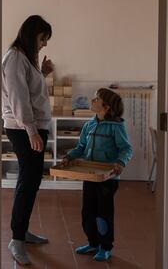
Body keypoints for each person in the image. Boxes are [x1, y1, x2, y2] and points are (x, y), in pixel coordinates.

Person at [2, 15, 54, 265]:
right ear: (31, 34)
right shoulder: (14, 58)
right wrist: (32, 131)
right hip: (23, 129)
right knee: (28, 182)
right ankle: (17, 239)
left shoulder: (25, 58)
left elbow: (30, 91)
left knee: (30, 182)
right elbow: (18, 99)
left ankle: (22, 232)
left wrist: (41, 72)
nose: (44, 44)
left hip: (31, 128)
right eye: (42, 38)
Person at [60, 88, 133, 261]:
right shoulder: (89, 125)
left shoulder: (116, 127)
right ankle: (93, 242)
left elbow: (126, 148)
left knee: (103, 213)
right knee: (88, 211)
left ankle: (105, 246)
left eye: (96, 99)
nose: (92, 101)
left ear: (106, 107)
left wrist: (120, 163)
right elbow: (81, 147)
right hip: (90, 176)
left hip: (107, 179)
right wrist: (69, 157)